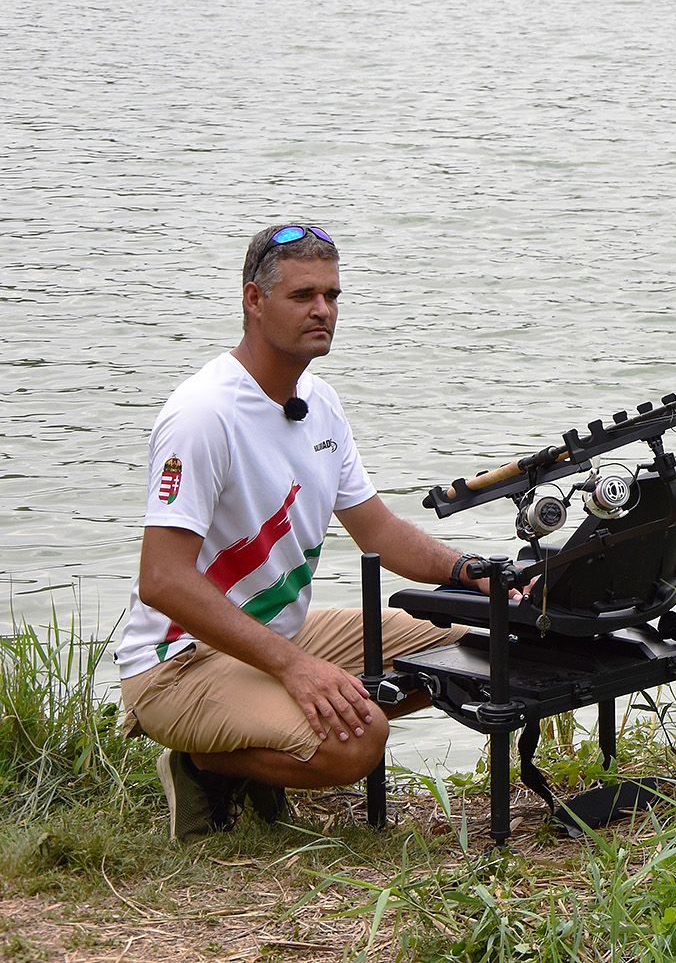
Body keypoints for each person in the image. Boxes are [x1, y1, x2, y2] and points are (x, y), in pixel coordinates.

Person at [116, 223, 507, 841]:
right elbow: (162, 580)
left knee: (476, 648)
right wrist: (296, 667)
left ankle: (265, 741)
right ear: (254, 300)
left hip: (275, 636)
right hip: (178, 662)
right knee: (357, 745)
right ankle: (200, 765)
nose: (322, 310)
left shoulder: (318, 401)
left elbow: (376, 528)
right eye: (303, 296)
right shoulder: (203, 416)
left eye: (332, 295)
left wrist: (471, 574)